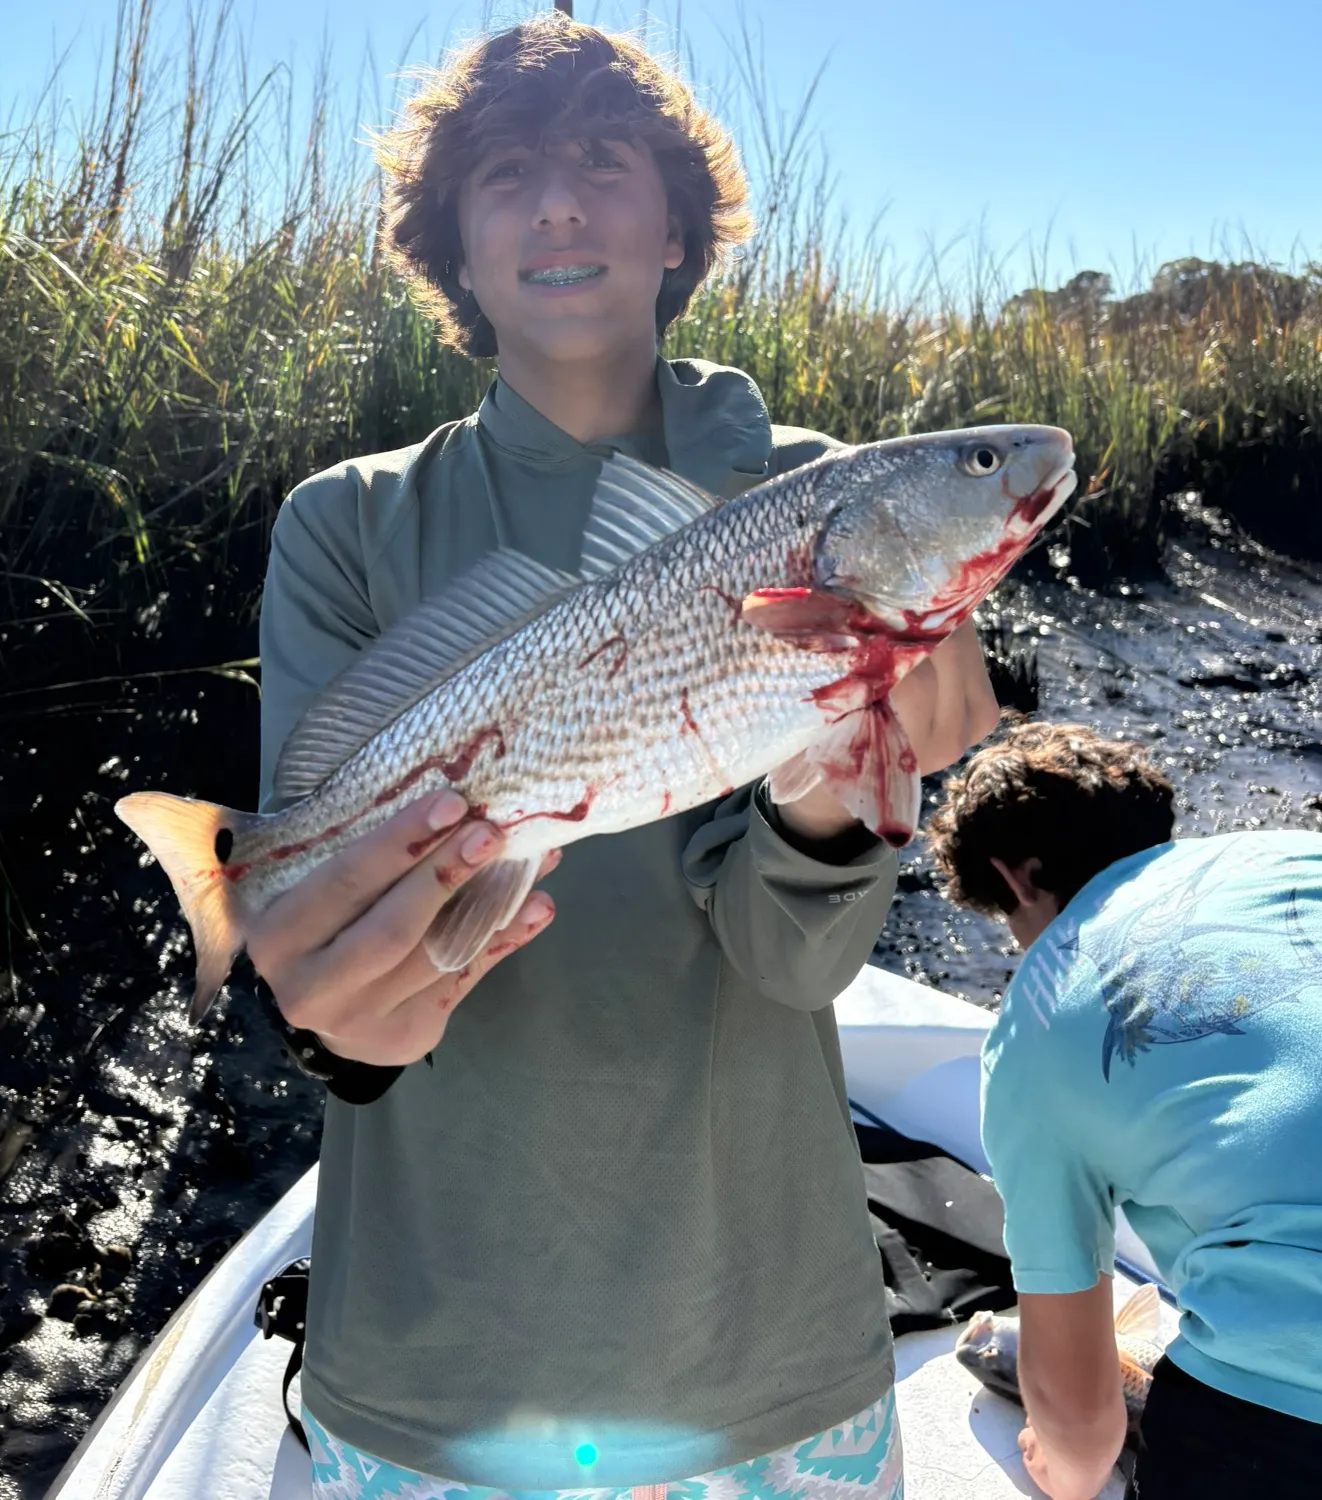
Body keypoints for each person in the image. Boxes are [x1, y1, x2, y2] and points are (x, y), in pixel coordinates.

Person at [252, 15, 1000, 1499]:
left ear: (678, 225)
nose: (559, 204)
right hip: (429, 1359)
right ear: (453, 252)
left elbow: (792, 970)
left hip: (771, 1352)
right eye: (507, 174)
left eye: (607, 161)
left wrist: (838, 812)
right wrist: (339, 1022)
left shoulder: (817, 497)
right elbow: (318, 952)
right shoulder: (345, 524)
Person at [927, 719, 1322, 1500]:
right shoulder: (1307, 855)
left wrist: (1061, 1467)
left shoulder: (1038, 1017)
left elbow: (1081, 1422)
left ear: (1016, 878)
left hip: (1307, 1396)